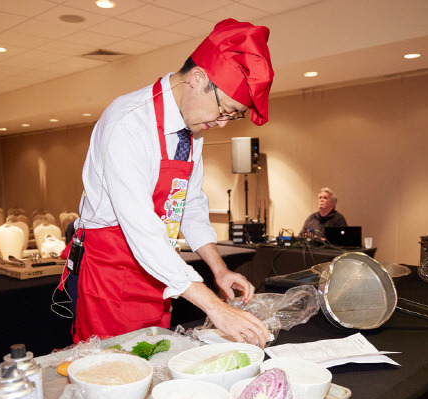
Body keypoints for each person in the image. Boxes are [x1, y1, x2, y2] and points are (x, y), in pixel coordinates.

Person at [59, 19, 273, 348]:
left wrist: (219, 270)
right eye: (225, 111)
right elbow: (142, 228)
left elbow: (187, 203)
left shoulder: (193, 125)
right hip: (112, 270)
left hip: (159, 270)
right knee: (111, 371)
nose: (221, 123)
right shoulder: (129, 122)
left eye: (233, 117)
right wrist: (215, 307)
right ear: (199, 78)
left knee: (155, 357)